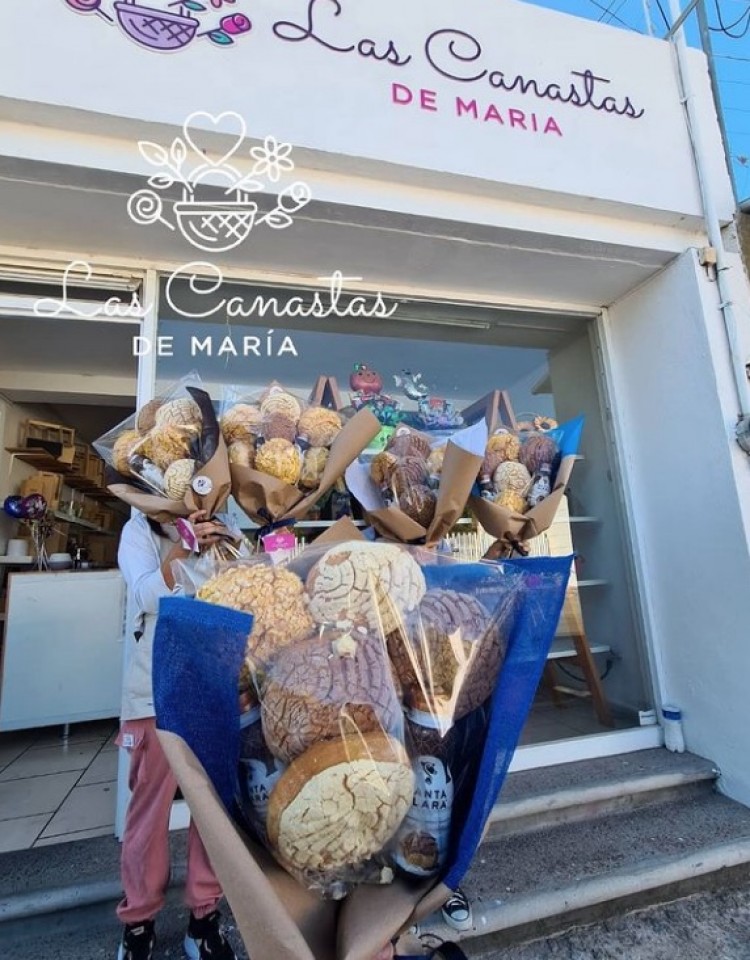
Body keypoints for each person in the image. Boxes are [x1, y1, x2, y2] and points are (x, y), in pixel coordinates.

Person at [117, 508, 236, 960]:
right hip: (155, 688)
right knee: (149, 812)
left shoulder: (223, 523)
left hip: (211, 683)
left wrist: (229, 543)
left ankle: (204, 919)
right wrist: (187, 543)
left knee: (213, 810)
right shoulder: (138, 531)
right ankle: (138, 921)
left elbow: (239, 592)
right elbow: (147, 594)